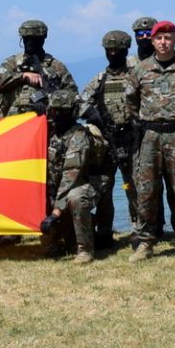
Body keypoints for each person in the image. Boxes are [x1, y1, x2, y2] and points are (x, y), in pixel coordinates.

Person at [124, 21, 175, 262]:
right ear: (152, 41)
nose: (164, 42)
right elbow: (131, 102)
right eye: (159, 38)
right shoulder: (141, 70)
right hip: (150, 136)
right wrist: (144, 123)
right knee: (146, 191)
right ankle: (146, 242)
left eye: (168, 38)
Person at [80, 29, 136, 251]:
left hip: (131, 140)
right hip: (106, 143)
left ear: (125, 50)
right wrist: (94, 116)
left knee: (134, 188)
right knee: (104, 189)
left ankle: (139, 231)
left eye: (117, 50)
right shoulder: (99, 79)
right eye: (109, 50)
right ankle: (104, 232)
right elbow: (79, 103)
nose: (113, 53)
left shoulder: (135, 76)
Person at [41, 89, 111, 264]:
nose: (56, 115)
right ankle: (62, 240)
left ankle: (85, 250)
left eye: (61, 112)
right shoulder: (52, 134)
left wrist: (55, 212)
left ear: (71, 113)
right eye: (53, 110)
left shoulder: (79, 136)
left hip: (87, 184)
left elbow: (70, 175)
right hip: (61, 188)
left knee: (76, 198)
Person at [0, 20, 78, 117]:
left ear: (42, 39)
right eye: (26, 38)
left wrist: (50, 100)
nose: (29, 42)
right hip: (14, 121)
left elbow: (73, 94)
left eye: (34, 39)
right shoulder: (12, 63)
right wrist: (22, 76)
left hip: (46, 120)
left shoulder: (56, 66)